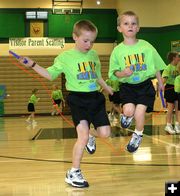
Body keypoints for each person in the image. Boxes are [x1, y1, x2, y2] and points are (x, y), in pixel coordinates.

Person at [18, 20, 113, 188]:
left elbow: (97, 75)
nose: (89, 45)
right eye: (85, 40)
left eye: (92, 41)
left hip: (96, 98)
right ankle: (73, 172)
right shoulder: (65, 57)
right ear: (74, 37)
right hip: (78, 99)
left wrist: (108, 88)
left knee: (105, 133)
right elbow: (49, 74)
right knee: (81, 137)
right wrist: (32, 64)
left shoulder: (94, 55)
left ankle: (92, 134)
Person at [108, 11, 166, 153]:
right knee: (128, 110)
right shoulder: (117, 51)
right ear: (119, 28)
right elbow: (114, 72)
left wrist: (160, 83)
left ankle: (138, 134)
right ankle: (127, 116)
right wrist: (123, 73)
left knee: (139, 113)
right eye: (126, 23)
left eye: (133, 24)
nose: (130, 26)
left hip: (145, 85)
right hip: (127, 86)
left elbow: (156, 66)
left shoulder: (146, 46)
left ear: (138, 28)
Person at [162, 52, 180, 134]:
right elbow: (164, 79)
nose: (179, 58)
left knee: (177, 108)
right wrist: (160, 84)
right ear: (173, 58)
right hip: (170, 88)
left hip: (177, 88)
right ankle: (168, 125)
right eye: (177, 57)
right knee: (170, 108)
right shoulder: (168, 68)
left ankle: (177, 124)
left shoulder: (178, 67)